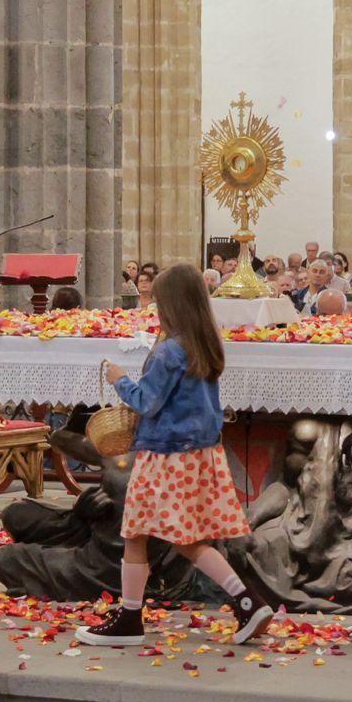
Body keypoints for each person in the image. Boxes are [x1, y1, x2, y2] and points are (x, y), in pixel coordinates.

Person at [78, 264, 271, 647]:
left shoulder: (168, 351)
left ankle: (130, 619)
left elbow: (146, 402)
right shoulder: (204, 342)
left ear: (173, 304)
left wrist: (119, 378)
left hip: (165, 456)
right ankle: (248, 601)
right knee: (187, 539)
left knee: (135, 534)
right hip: (199, 455)